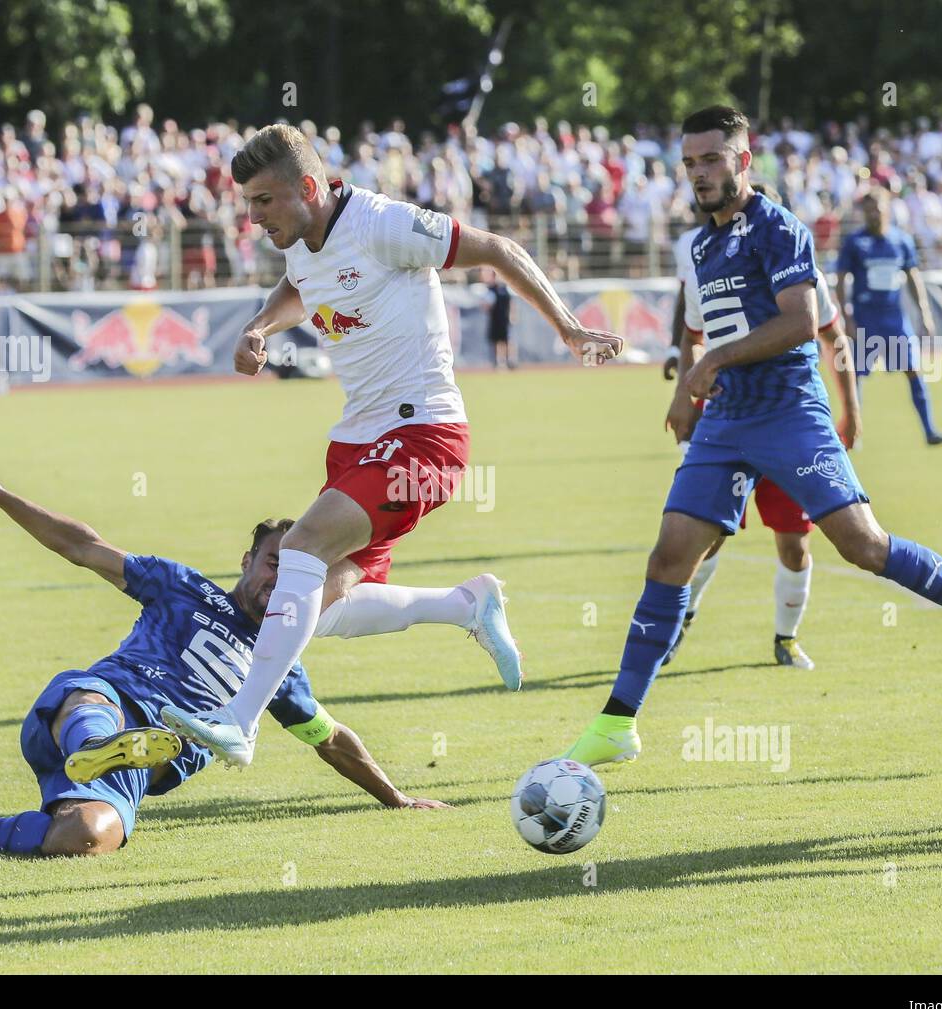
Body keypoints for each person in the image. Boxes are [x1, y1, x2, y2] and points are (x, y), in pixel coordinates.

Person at [564, 106, 942, 768]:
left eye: (711, 160)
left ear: (743, 160)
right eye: (689, 163)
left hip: (791, 415)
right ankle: (618, 722)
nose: (698, 174)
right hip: (726, 421)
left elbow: (802, 323)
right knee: (669, 556)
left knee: (864, 546)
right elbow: (710, 332)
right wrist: (691, 391)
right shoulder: (703, 245)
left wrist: (710, 363)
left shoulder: (779, 229)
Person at [163, 124, 623, 767]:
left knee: (296, 550)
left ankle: (238, 722)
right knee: (314, 606)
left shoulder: (381, 224)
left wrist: (570, 330)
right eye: (248, 204)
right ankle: (466, 604)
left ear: (308, 186)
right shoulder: (301, 241)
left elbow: (497, 249)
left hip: (424, 439)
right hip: (357, 441)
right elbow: (301, 284)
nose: (253, 217)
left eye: (263, 201)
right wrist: (260, 325)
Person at [0, 448, 516, 857]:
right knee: (93, 698)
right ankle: (96, 744)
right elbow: (84, 546)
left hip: (128, 774)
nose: (276, 580)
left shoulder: (277, 664)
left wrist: (396, 798)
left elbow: (329, 738)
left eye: (294, 573)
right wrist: (1, 495)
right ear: (247, 560)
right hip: (102, 706)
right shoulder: (181, 586)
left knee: (86, 837)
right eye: (271, 563)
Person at [666, 184, 861, 669]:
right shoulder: (706, 265)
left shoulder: (801, 271)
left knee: (795, 544)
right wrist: (682, 395)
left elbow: (834, 339)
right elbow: (692, 337)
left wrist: (851, 410)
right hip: (728, 419)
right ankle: (679, 619)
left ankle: (786, 638)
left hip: (788, 420)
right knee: (704, 535)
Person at [835, 188, 942, 445]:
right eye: (868, 208)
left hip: (895, 320)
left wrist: (924, 314)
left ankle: (930, 430)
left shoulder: (901, 240)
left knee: (914, 371)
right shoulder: (855, 243)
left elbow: (913, 278)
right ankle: (853, 433)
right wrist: (847, 317)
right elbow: (842, 280)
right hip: (866, 319)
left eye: (877, 207)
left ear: (888, 208)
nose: (873, 213)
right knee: (856, 376)